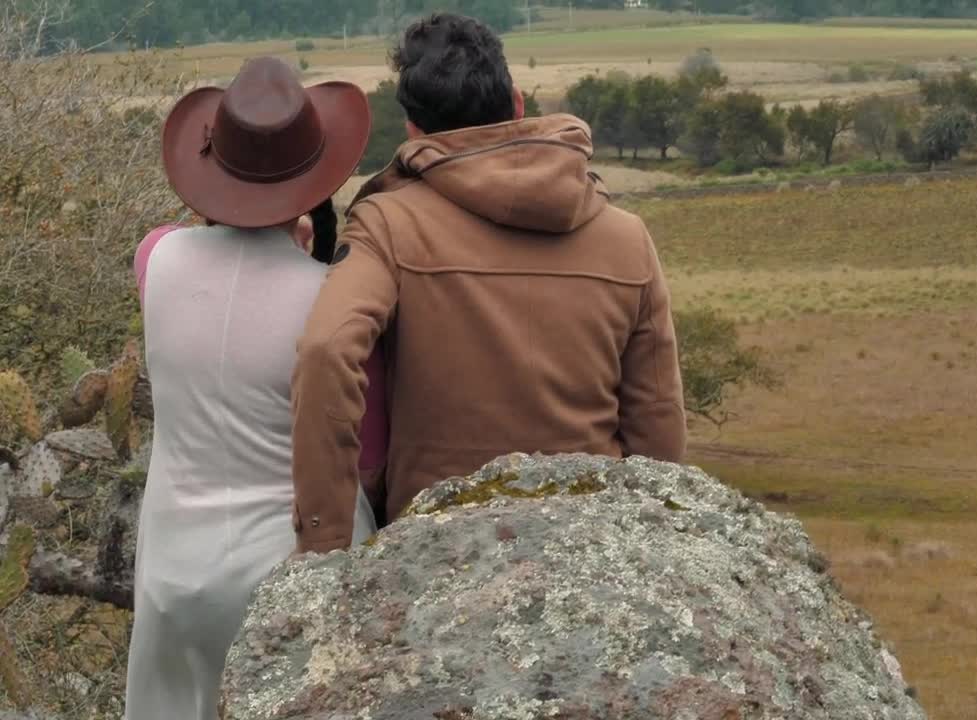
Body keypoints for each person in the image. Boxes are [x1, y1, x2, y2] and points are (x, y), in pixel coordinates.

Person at [290, 13, 687, 555]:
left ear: (413, 130)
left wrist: (325, 545)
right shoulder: (627, 237)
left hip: (434, 548)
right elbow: (658, 424)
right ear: (517, 104)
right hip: (593, 544)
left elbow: (325, 348)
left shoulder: (387, 224)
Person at [124, 57, 378, 719]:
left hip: (172, 575)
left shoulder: (157, 258)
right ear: (315, 183)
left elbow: (194, 254)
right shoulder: (331, 305)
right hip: (287, 576)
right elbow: (364, 444)